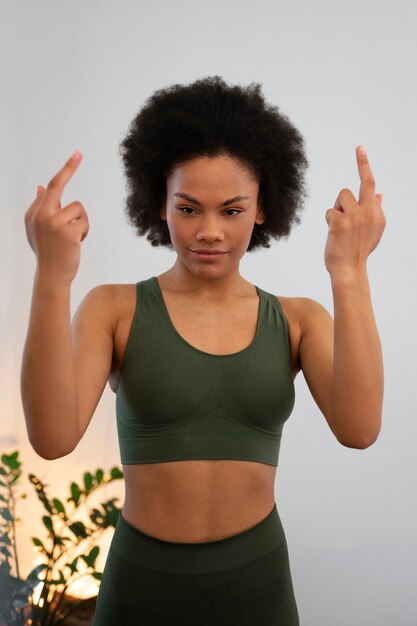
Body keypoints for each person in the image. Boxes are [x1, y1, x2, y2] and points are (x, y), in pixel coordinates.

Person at [21, 75, 385, 625]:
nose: (209, 231)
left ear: (262, 208)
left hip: (257, 586)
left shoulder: (298, 320)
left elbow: (359, 430)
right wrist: (51, 275)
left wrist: (350, 270)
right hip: (140, 586)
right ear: (159, 203)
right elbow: (51, 440)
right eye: (188, 209)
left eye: (231, 210)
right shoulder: (113, 309)